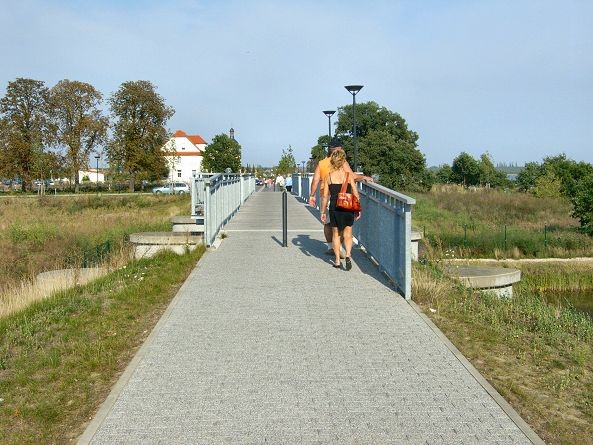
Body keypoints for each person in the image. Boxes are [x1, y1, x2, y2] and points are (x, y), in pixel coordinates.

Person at [309, 139, 372, 255]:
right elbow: (351, 176)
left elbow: (315, 181)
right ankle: (339, 249)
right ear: (338, 149)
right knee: (343, 225)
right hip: (341, 196)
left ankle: (330, 247)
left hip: (325, 195)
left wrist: (312, 195)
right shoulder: (342, 161)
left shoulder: (321, 163)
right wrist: (363, 177)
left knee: (328, 223)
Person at [320, 148, 360, 270]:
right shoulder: (348, 176)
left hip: (334, 207)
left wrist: (323, 211)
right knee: (348, 233)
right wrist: (358, 209)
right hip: (348, 207)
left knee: (336, 234)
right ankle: (348, 255)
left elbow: (325, 197)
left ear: (332, 161)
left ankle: (337, 261)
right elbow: (355, 193)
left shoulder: (328, 177)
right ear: (343, 161)